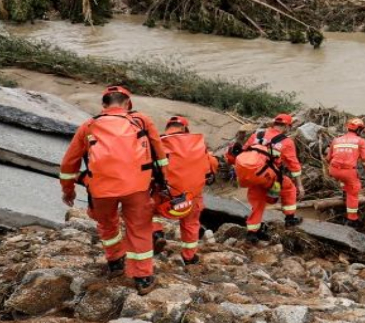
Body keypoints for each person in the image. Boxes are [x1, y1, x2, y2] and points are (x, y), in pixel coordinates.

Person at [60, 85, 169, 295]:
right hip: (137, 187)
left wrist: (68, 190)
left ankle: (116, 261)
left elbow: (68, 164)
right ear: (128, 104)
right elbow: (160, 154)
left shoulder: (88, 126)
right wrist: (164, 183)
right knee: (139, 228)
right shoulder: (141, 121)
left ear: (103, 105)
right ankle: (143, 277)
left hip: (101, 189)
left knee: (107, 225)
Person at [151, 116, 218, 265]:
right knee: (191, 223)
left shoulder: (158, 143)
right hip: (191, 196)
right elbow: (211, 166)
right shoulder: (198, 144)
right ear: (186, 129)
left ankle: (156, 232)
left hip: (165, 195)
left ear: (168, 128)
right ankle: (189, 256)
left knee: (148, 211)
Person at [226, 113, 303, 242]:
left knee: (257, 204)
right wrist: (300, 185)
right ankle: (290, 218)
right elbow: (294, 166)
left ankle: (252, 233)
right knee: (289, 188)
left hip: (253, 175)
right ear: (287, 126)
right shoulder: (286, 142)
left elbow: (244, 153)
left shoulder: (257, 135)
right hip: (270, 177)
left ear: (274, 124)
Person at [326, 118, 365, 225]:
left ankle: (344, 193)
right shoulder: (360, 141)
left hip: (333, 170)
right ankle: (352, 219)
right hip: (347, 171)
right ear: (359, 130)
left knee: (344, 180)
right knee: (354, 191)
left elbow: (328, 158)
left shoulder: (336, 140)